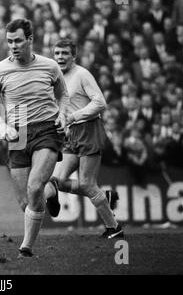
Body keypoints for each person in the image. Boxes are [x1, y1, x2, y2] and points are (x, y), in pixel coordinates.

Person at [0, 19, 69, 258]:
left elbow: (63, 95)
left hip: (46, 130)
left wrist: (62, 115)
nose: (13, 45)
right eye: (9, 41)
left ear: (30, 40)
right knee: (26, 202)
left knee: (33, 186)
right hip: (17, 134)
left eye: (18, 40)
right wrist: (1, 127)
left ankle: (26, 248)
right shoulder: (0, 70)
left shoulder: (50, 66)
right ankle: (52, 189)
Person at [47, 39, 123, 239]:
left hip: (89, 130)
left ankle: (114, 228)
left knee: (87, 184)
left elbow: (100, 102)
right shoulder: (55, 77)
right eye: (57, 53)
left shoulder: (81, 74)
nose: (60, 57)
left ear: (74, 56)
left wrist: (74, 116)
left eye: (65, 53)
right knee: (57, 181)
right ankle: (104, 197)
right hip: (71, 133)